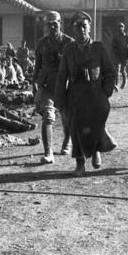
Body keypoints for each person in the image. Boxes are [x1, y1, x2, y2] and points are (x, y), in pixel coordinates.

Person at [55, 11, 117, 176]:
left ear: (89, 28)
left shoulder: (98, 48)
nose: (81, 30)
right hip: (75, 96)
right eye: (77, 27)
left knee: (95, 125)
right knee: (75, 129)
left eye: (84, 26)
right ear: (73, 30)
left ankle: (96, 150)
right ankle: (80, 163)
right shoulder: (68, 50)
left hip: (95, 96)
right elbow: (62, 76)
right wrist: (60, 101)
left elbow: (110, 72)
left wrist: (105, 92)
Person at [33, 11, 75, 164]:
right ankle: (48, 152)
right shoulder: (42, 43)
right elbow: (38, 65)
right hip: (47, 84)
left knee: (67, 118)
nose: (52, 27)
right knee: (47, 117)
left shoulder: (69, 43)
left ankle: (66, 142)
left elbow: (74, 66)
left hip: (65, 85)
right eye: (49, 24)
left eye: (55, 23)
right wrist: (34, 83)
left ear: (60, 23)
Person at [111, 22, 128, 90]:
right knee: (116, 70)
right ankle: (116, 84)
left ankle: (124, 83)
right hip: (118, 55)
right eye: (119, 27)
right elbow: (113, 46)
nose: (120, 28)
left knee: (122, 70)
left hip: (125, 56)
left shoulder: (127, 36)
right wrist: (115, 51)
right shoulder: (115, 37)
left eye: (121, 27)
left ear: (124, 28)